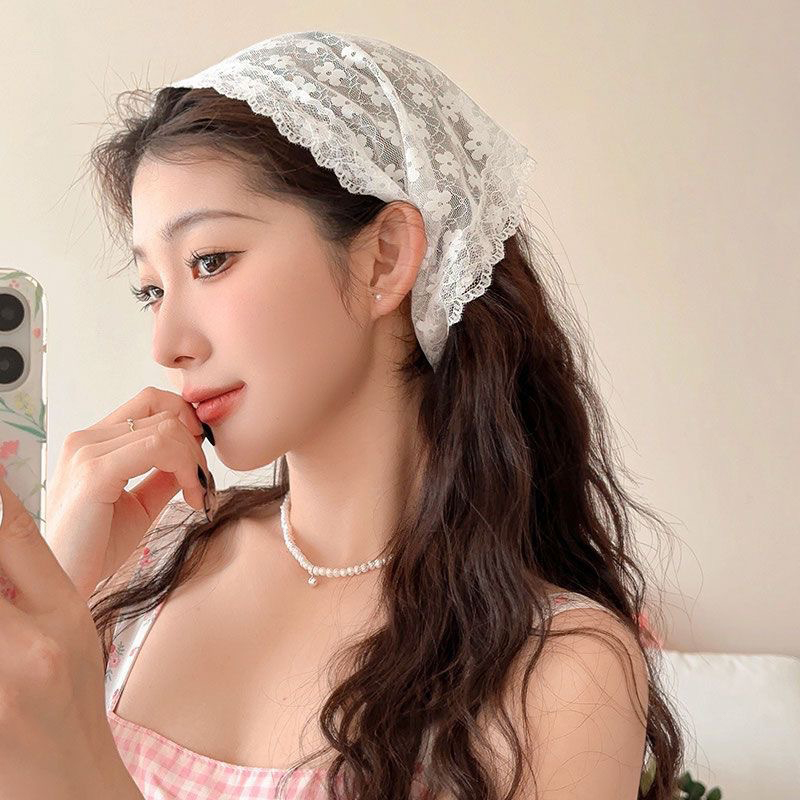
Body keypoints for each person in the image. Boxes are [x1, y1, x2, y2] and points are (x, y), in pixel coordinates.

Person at [84, 30, 684, 800]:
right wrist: (55, 590)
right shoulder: (143, 569)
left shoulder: (561, 672)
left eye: (210, 261)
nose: (167, 343)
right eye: (152, 290)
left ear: (386, 257)